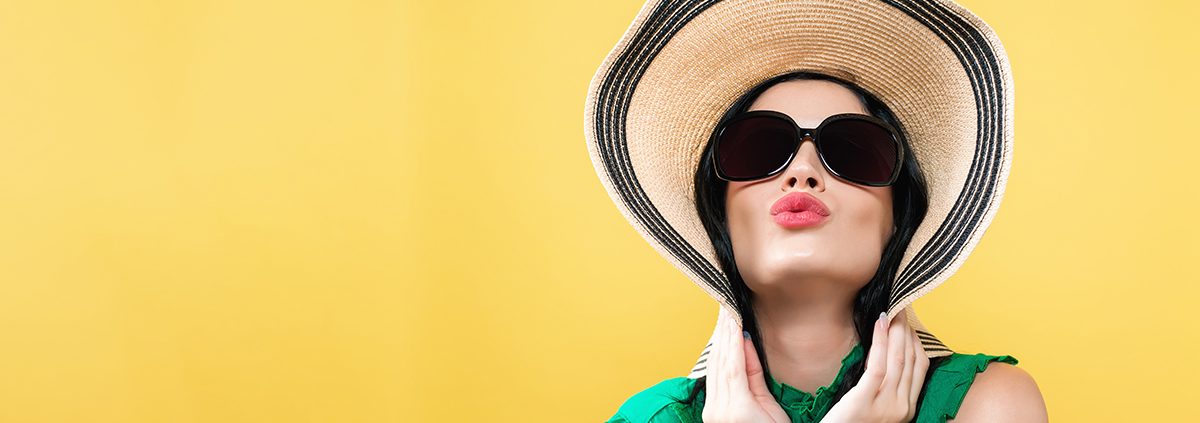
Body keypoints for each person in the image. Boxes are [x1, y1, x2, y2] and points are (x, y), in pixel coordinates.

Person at [583, 0, 1049, 421]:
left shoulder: (988, 405)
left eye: (852, 151)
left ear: (899, 217)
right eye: (760, 148)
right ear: (719, 210)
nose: (802, 172)